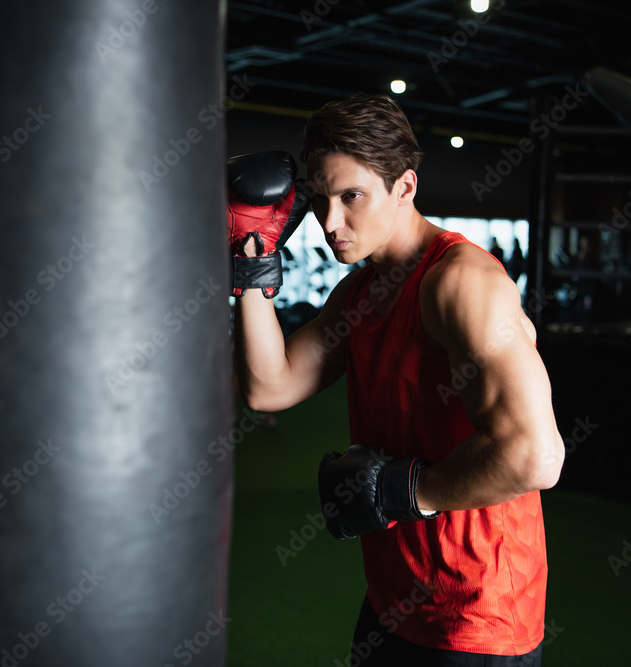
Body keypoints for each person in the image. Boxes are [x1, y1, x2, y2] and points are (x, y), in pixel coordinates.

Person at [227, 94, 565, 666]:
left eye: (352, 196)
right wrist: (250, 262)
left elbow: (536, 457)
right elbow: (270, 386)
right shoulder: (360, 292)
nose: (330, 222)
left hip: (475, 615)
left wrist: (403, 492)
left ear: (405, 187)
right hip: (394, 599)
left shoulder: (461, 284)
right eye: (320, 199)